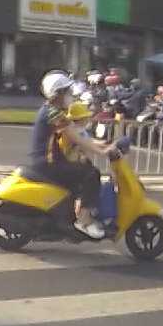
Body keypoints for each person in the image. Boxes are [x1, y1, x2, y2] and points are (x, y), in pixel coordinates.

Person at [31, 71, 122, 239]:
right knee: (91, 174)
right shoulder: (53, 113)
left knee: (83, 170)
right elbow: (77, 138)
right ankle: (84, 221)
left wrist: (104, 145)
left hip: (49, 161)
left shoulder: (53, 111)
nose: (70, 95)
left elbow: (80, 136)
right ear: (57, 94)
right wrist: (102, 151)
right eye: (66, 91)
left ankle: (74, 214)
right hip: (48, 163)